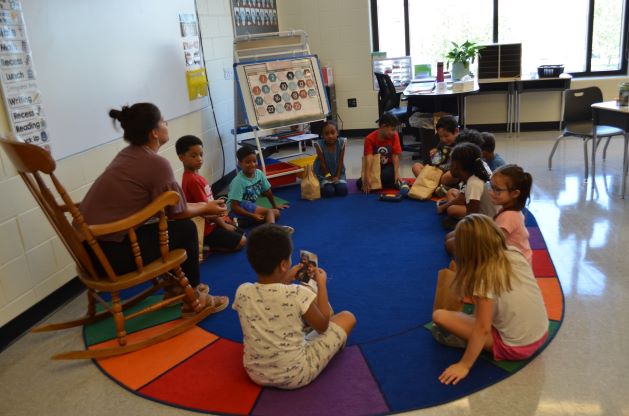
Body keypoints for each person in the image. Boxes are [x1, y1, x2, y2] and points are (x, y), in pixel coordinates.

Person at [78, 103, 228, 313]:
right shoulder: (157, 164)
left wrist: (204, 205)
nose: (167, 124)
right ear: (154, 132)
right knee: (186, 228)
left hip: (90, 252)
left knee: (163, 226)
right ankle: (193, 296)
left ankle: (177, 286)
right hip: (111, 258)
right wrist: (205, 208)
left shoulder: (127, 154)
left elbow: (170, 204)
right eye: (163, 121)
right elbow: (177, 212)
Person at [233, 224, 356, 389]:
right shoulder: (297, 293)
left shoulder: (242, 291)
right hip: (295, 374)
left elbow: (268, 299)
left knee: (313, 309)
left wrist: (284, 280)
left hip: (255, 372)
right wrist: (322, 285)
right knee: (347, 317)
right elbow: (322, 326)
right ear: (284, 265)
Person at [432, 214, 549, 385]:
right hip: (541, 332)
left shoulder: (483, 279)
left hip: (516, 347)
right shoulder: (514, 252)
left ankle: (468, 345)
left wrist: (464, 365)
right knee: (481, 313)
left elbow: (482, 328)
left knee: (440, 316)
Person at [176, 135, 246, 252]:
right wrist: (224, 225)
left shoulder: (196, 177)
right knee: (242, 241)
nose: (199, 159)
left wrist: (223, 219)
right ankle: (206, 246)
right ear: (181, 157)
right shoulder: (193, 180)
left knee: (241, 233)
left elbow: (210, 203)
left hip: (213, 222)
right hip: (206, 229)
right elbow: (207, 210)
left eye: (201, 155)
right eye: (194, 156)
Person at [227, 146, 291, 229]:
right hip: (236, 210)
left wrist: (274, 205)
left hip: (248, 207)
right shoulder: (238, 181)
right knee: (270, 212)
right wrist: (253, 215)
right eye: (248, 162)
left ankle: (239, 222)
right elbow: (234, 206)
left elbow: (268, 191)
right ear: (239, 163)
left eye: (254, 161)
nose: (252, 164)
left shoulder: (259, 174)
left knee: (276, 213)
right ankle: (273, 231)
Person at [490, 164, 533, 265]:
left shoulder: (509, 216)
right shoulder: (508, 210)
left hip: (516, 268)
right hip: (516, 261)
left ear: (515, 194)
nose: (492, 192)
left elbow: (491, 244)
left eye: (497, 190)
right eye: (491, 187)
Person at [356, 112, 402, 192]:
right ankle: (387, 184)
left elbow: (395, 155)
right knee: (359, 183)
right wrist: (367, 176)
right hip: (375, 166)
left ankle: (378, 184)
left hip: (388, 165)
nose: (394, 132)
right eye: (393, 129)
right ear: (383, 126)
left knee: (387, 175)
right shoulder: (369, 139)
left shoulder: (394, 136)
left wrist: (396, 173)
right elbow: (369, 157)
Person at [412, 115, 459, 187]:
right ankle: (433, 186)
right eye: (440, 136)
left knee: (451, 176)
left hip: (446, 174)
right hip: (437, 173)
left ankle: (429, 185)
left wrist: (440, 169)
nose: (443, 139)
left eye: (446, 136)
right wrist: (434, 156)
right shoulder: (442, 143)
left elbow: (457, 167)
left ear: (456, 131)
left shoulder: (461, 145)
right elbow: (436, 163)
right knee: (416, 166)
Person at [313, 120, 348, 197]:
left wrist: (337, 177)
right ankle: (324, 186)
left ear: (337, 133)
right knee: (329, 192)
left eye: (333, 133)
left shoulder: (342, 142)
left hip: (338, 172)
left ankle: (336, 183)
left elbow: (341, 161)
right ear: (322, 135)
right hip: (324, 173)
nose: (330, 136)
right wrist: (329, 177)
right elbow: (322, 164)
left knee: (343, 190)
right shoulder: (319, 145)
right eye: (326, 134)